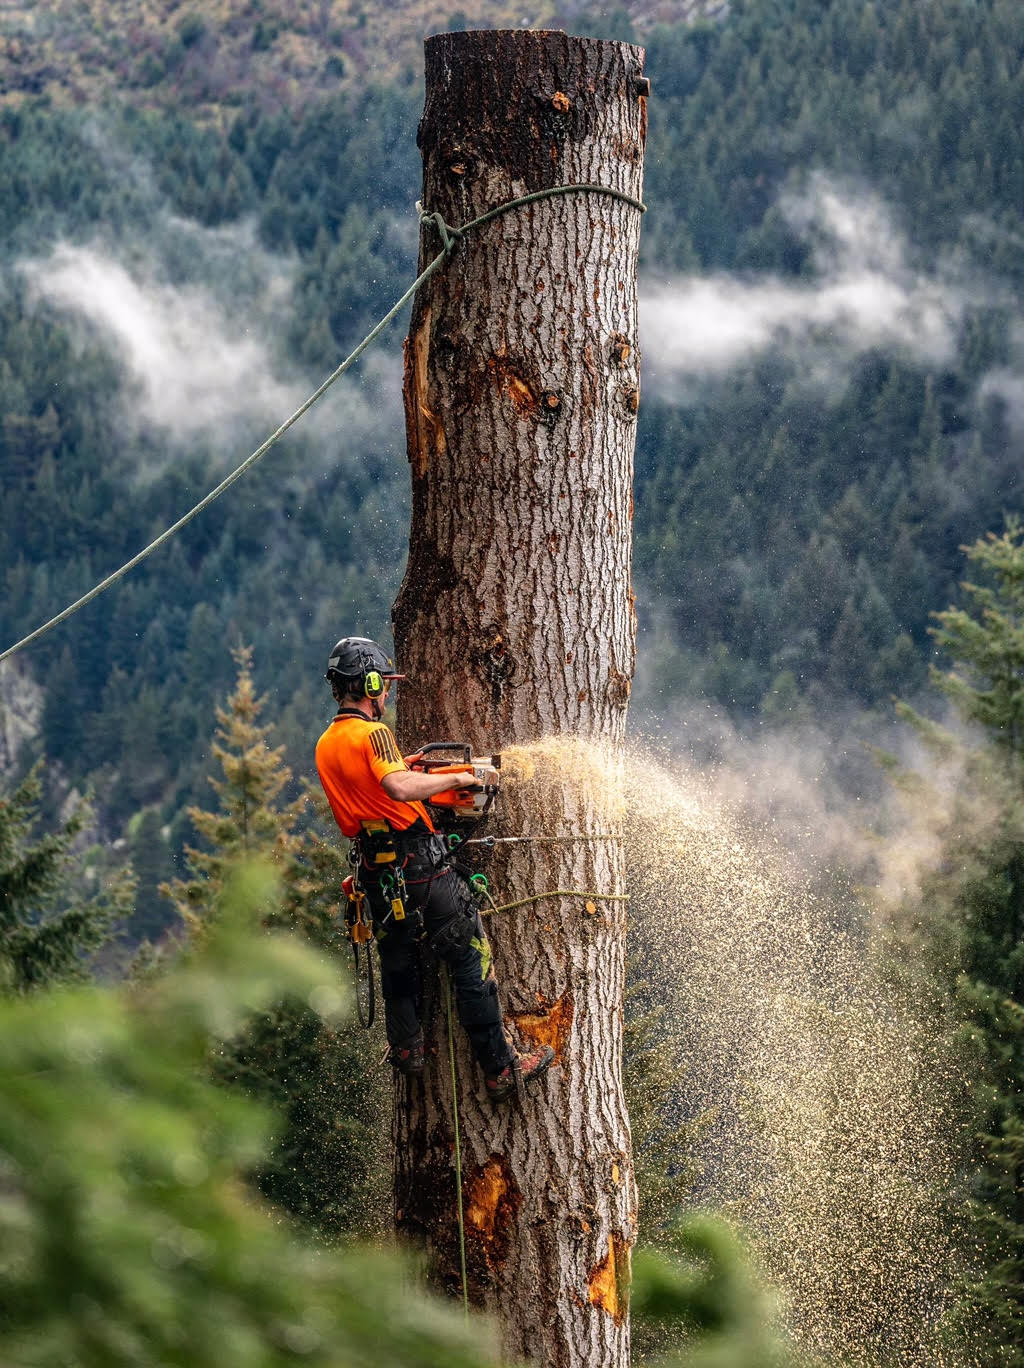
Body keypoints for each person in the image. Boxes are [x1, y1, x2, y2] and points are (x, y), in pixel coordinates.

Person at [315, 636, 554, 1102]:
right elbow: (400, 789)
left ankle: (407, 1049)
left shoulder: (328, 741)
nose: (385, 694)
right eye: (381, 685)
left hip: (375, 871)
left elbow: (373, 782)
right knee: (470, 954)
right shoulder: (373, 733)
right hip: (419, 866)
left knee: (399, 960)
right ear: (368, 683)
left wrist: (407, 765)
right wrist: (465, 776)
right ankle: (500, 1067)